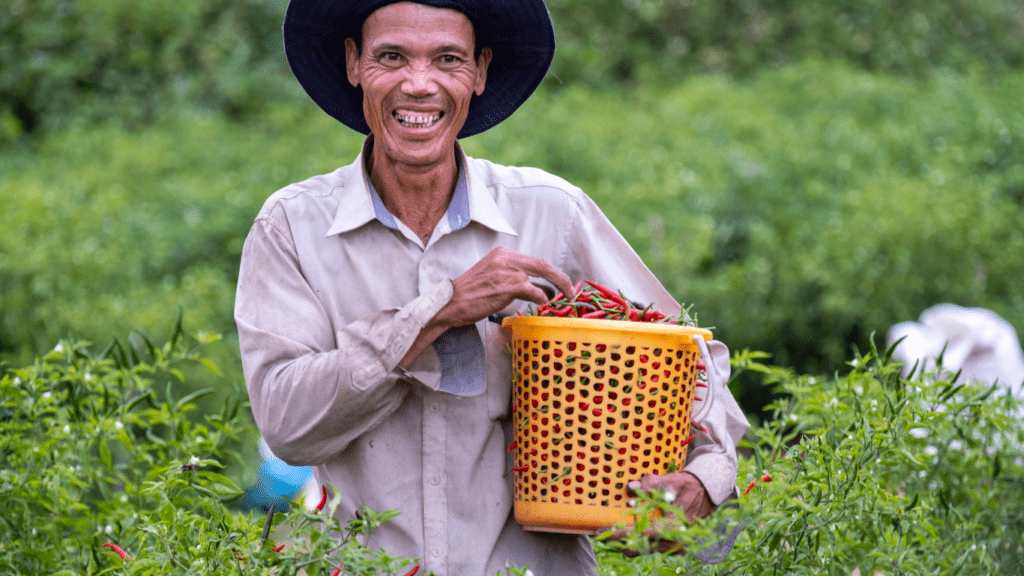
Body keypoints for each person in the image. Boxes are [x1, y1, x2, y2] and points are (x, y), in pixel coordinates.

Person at [234, 0, 749, 573]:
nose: (419, 84)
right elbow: (286, 425)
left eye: (447, 59)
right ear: (355, 63)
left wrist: (704, 480)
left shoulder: (551, 214)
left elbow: (693, 360)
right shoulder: (292, 227)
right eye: (392, 57)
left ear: (479, 71)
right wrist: (439, 311)